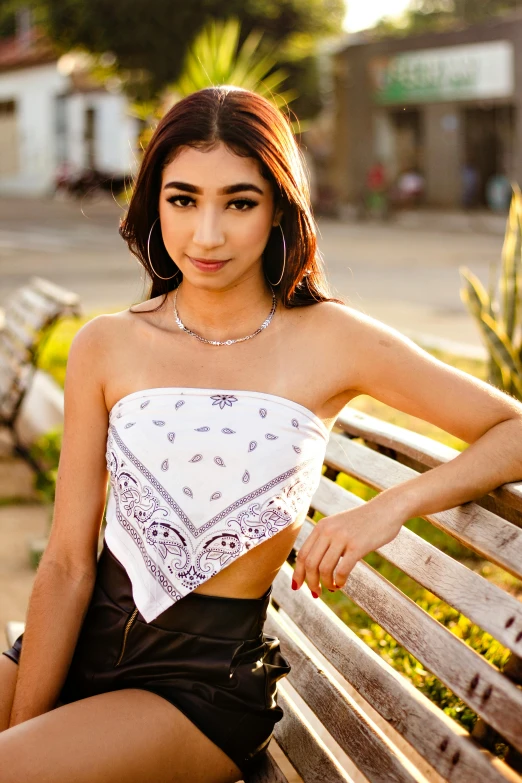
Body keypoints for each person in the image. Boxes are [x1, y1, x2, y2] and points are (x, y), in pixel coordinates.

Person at [2, 85, 522, 782]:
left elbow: (510, 427)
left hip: (198, 688)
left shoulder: (335, 339)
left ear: (278, 204)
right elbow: (68, 561)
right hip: (77, 639)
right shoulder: (106, 344)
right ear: (154, 202)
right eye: (183, 199)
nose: (207, 235)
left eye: (239, 202)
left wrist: (389, 506)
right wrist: (33, 723)